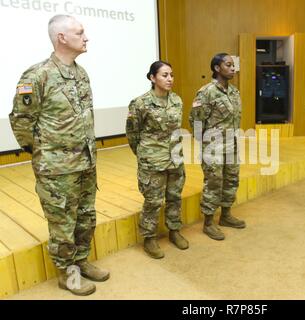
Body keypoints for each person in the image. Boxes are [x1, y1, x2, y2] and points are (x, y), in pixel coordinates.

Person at [9, 15, 109, 296]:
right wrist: (44, 153)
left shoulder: (81, 73)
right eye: (80, 32)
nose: (86, 37)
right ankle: (67, 273)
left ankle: (81, 261)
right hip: (57, 169)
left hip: (86, 162)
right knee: (62, 222)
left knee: (86, 217)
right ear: (61, 38)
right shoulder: (36, 75)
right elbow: (21, 121)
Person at [126, 61, 189, 259]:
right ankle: (149, 238)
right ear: (152, 78)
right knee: (153, 200)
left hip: (175, 158)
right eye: (164, 75)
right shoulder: (140, 103)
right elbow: (132, 133)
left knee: (174, 197)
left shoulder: (177, 100)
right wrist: (146, 153)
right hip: (152, 160)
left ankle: (174, 231)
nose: (169, 79)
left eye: (171, 75)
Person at [189, 53, 246, 240]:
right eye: (228, 65)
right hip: (213, 147)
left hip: (232, 144)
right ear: (216, 68)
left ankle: (226, 215)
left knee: (231, 180)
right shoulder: (206, 92)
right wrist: (206, 143)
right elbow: (196, 120)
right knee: (213, 183)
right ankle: (208, 222)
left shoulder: (234, 92)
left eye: (233, 65)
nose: (232, 68)